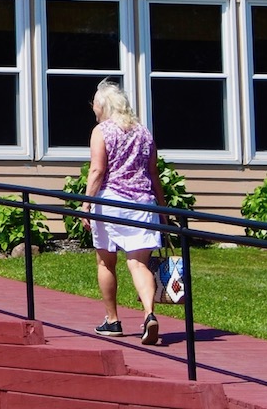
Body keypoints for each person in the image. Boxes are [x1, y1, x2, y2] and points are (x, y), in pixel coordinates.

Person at [84, 81, 167, 345]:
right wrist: (162, 208)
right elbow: (153, 172)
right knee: (139, 263)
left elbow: (97, 171)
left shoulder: (102, 131)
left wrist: (85, 204)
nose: (94, 109)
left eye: (95, 104)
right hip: (143, 203)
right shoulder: (143, 132)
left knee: (106, 262)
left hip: (111, 202)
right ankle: (149, 313)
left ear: (104, 106)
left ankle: (112, 320)